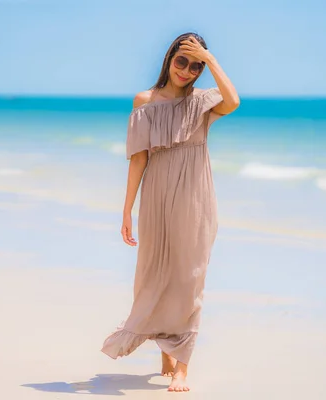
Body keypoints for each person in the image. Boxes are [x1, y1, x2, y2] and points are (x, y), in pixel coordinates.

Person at [101, 32, 239, 392]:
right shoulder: (144, 101)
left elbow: (234, 101)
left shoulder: (204, 102)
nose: (187, 71)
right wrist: (127, 210)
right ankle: (164, 346)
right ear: (168, 59)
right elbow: (138, 159)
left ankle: (182, 367)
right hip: (158, 198)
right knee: (154, 275)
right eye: (182, 61)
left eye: (196, 66)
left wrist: (211, 59)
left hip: (195, 198)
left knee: (189, 277)